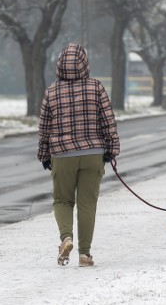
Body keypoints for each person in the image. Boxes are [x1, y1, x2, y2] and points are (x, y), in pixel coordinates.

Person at [37, 42, 120, 268]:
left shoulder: (52, 91)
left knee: (63, 200)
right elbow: (108, 122)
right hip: (93, 153)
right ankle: (85, 254)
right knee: (87, 204)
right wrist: (111, 150)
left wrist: (44, 154)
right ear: (85, 63)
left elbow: (44, 127)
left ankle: (66, 238)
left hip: (62, 155)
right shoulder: (96, 88)